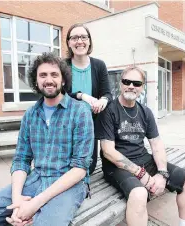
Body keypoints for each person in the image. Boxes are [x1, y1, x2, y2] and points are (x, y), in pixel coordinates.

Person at [0, 53, 94, 226]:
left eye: (54, 75)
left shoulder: (80, 112)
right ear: (36, 81)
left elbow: (79, 169)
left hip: (69, 184)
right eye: (43, 75)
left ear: (63, 80)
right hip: (36, 179)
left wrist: (34, 204)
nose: (49, 80)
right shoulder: (30, 115)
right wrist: (17, 199)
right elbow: (21, 159)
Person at [96, 66, 185, 226]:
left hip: (144, 160)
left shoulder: (146, 112)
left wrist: (162, 174)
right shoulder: (109, 110)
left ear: (142, 87)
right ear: (120, 84)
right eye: (127, 81)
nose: (131, 86)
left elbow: (156, 144)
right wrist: (142, 174)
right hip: (116, 167)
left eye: (136, 83)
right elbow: (108, 151)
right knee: (139, 194)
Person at [65, 23, 112, 174]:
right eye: (75, 38)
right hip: (66, 124)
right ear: (69, 42)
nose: (80, 41)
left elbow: (108, 93)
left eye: (84, 37)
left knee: (89, 169)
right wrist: (81, 95)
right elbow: (59, 95)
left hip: (90, 126)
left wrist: (103, 100)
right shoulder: (62, 66)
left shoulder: (99, 65)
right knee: (67, 166)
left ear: (89, 41)